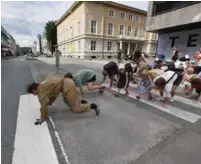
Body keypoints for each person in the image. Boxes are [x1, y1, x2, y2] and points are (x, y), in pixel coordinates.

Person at [27, 77, 100, 125]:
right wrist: (50, 102)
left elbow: (42, 107)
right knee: (66, 100)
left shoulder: (41, 91)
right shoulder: (42, 85)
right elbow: (53, 95)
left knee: (75, 109)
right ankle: (79, 101)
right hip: (66, 84)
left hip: (67, 87)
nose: (33, 95)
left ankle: (93, 106)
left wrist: (42, 118)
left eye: (32, 93)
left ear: (34, 90)